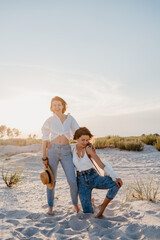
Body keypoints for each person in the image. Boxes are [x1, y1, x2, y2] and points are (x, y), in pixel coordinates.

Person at [71, 127, 123, 218]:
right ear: (76, 138)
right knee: (88, 212)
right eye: (82, 140)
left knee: (116, 184)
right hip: (81, 181)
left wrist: (115, 176)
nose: (85, 142)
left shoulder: (89, 148)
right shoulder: (71, 149)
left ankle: (102, 206)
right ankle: (92, 203)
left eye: (87, 140)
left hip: (93, 177)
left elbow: (100, 164)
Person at [41, 96, 80, 215]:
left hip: (66, 151)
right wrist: (44, 156)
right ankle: (50, 207)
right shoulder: (49, 120)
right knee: (51, 180)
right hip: (52, 151)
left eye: (59, 104)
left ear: (63, 106)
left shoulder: (70, 118)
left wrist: (87, 144)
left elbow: (78, 133)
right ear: (51, 107)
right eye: (54, 105)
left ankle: (75, 205)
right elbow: (45, 138)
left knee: (72, 180)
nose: (57, 107)